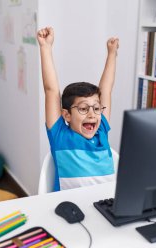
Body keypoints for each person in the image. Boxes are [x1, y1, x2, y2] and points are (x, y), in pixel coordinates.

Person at [37, 27, 119, 191]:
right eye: (83, 109)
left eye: (96, 108)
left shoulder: (101, 129)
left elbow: (106, 89)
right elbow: (51, 90)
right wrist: (45, 48)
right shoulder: (60, 135)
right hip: (71, 207)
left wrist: (111, 54)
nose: (92, 114)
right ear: (66, 114)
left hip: (106, 205)